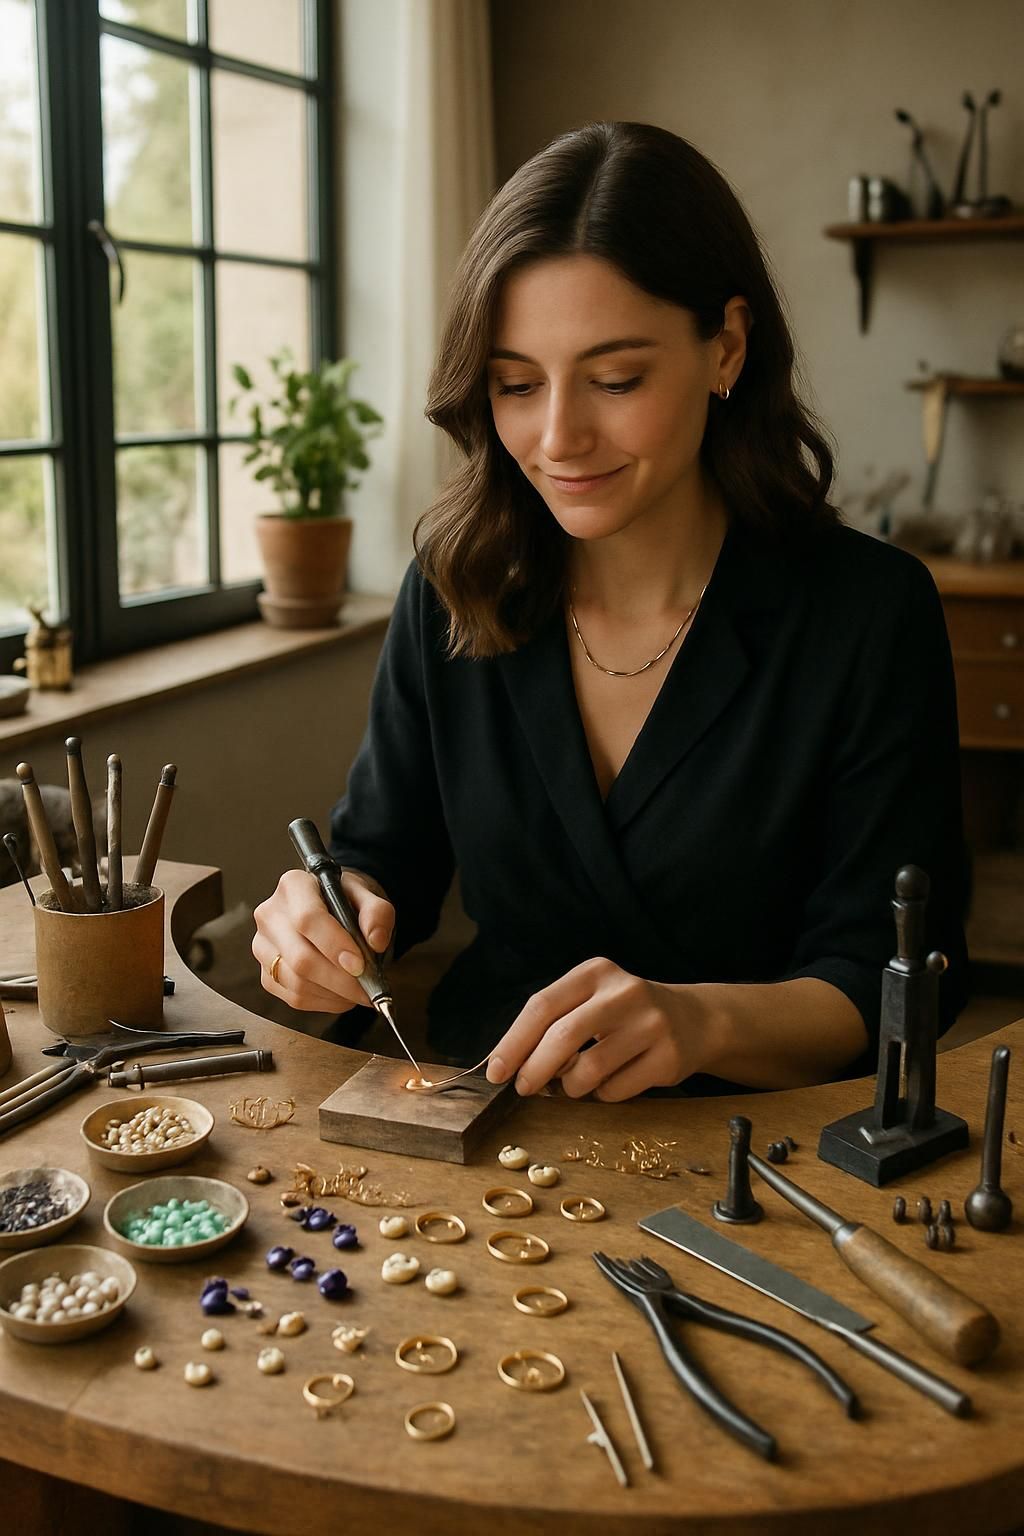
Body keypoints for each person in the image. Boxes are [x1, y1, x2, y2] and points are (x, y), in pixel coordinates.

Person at [253, 120, 967, 1102]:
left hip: (761, 1155)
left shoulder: (866, 614)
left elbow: (896, 976)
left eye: (616, 378)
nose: (556, 438)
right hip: (489, 1125)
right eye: (514, 384)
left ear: (726, 347)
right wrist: (330, 911)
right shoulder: (454, 582)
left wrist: (701, 1019)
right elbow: (386, 859)